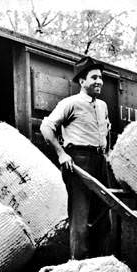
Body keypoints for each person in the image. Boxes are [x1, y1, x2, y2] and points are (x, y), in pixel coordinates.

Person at [40, 56, 111, 260]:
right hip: (79, 161)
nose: (99, 81)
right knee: (80, 215)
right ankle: (78, 267)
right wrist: (62, 154)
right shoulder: (70, 103)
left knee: (103, 215)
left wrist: (105, 153)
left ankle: (100, 266)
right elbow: (46, 127)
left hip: (99, 160)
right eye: (94, 77)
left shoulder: (103, 106)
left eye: (101, 78)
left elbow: (105, 131)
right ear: (82, 81)